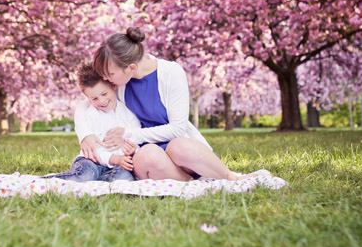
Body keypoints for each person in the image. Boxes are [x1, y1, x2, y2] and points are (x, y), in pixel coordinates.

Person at [75, 27, 248, 182]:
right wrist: (85, 135)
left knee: (178, 146)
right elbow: (86, 102)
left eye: (109, 74)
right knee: (149, 153)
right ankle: (191, 183)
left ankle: (231, 178)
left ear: (131, 68)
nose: (105, 79)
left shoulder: (171, 73)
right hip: (149, 159)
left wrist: (129, 134)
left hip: (181, 152)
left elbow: (178, 129)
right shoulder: (120, 83)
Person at [46, 61, 140, 183]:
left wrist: (133, 150)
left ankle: (93, 183)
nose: (101, 101)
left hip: (118, 164)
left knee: (123, 178)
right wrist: (115, 158)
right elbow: (94, 150)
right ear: (87, 98)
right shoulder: (90, 114)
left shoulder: (128, 112)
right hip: (91, 161)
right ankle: (47, 181)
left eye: (104, 93)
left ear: (113, 86)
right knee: (85, 175)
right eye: (94, 98)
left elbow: (137, 137)